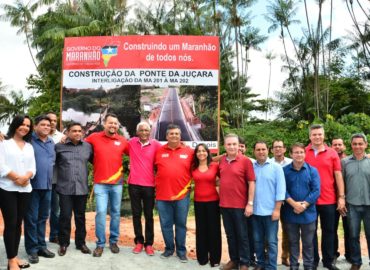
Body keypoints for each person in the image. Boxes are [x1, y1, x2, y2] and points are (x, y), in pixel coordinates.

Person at [84, 113, 128, 257]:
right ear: (104, 123)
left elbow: (136, 153)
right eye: (110, 123)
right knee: (101, 212)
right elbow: (81, 144)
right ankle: (100, 244)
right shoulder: (94, 137)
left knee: (115, 213)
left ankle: (113, 241)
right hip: (100, 183)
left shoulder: (122, 141)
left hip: (117, 184)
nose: (113, 125)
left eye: (115, 123)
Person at [305, 124, 346, 270]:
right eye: (314, 134)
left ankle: (328, 261)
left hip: (329, 199)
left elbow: (338, 175)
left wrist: (341, 197)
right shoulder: (304, 152)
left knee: (329, 231)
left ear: (324, 135)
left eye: (319, 134)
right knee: (311, 232)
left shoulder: (332, 153)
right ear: (310, 136)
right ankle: (313, 261)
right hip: (309, 200)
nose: (317, 137)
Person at [0, 115, 35, 270]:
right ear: (15, 125)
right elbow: (0, 165)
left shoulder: (29, 146)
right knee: (11, 223)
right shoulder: (4, 143)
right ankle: (11, 260)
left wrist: (26, 177)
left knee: (19, 223)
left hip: (25, 189)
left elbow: (32, 168)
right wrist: (16, 178)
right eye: (22, 124)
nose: (25, 127)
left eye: (28, 125)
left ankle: (14, 256)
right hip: (7, 188)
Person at [154, 124, 194, 263]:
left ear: (180, 135)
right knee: (165, 224)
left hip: (182, 195)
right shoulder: (158, 151)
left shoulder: (189, 151)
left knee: (181, 224)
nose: (174, 136)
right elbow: (151, 168)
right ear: (166, 136)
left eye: (176, 133)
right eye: (171, 134)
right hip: (162, 195)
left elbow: (203, 164)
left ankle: (181, 251)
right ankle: (169, 249)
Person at [55, 122, 93, 256]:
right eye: (74, 131)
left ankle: (81, 243)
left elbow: (96, 162)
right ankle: (63, 243)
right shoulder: (59, 147)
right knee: (65, 216)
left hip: (81, 188)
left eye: (79, 131)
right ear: (68, 133)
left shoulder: (88, 147)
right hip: (65, 188)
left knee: (80, 217)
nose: (77, 133)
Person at [219, 133, 255, 270]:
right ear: (225, 146)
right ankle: (234, 260)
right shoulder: (222, 161)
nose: (232, 146)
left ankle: (244, 262)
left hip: (240, 206)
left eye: (234, 144)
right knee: (230, 235)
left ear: (239, 145)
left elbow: (252, 183)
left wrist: (250, 203)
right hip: (224, 205)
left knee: (242, 236)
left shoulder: (246, 161)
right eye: (229, 144)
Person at [282, 143, 320, 270]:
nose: (299, 155)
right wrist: (294, 204)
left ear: (305, 153)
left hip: (308, 214)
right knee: (293, 242)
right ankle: (294, 266)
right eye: (296, 152)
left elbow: (316, 191)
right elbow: (282, 190)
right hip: (290, 212)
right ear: (291, 154)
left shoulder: (312, 170)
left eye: (301, 152)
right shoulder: (284, 171)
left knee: (308, 243)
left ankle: (308, 266)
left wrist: (304, 205)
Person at [24, 115, 56, 264]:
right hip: (32, 187)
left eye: (48, 125)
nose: (46, 127)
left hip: (48, 187)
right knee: (31, 219)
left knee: (43, 218)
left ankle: (42, 246)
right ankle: (32, 250)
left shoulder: (51, 142)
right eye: (42, 125)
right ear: (35, 126)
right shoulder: (28, 140)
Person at [126, 122, 161, 256]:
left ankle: (149, 244)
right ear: (137, 132)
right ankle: (139, 242)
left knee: (149, 215)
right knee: (136, 214)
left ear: (150, 131)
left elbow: (168, 152)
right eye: (142, 130)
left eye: (147, 130)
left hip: (149, 185)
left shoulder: (156, 145)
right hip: (133, 184)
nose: (144, 132)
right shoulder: (131, 143)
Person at [252, 141, 286, 270]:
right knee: (257, 240)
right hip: (255, 212)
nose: (261, 152)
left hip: (271, 212)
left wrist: (277, 210)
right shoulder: (251, 167)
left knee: (271, 242)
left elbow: (281, 190)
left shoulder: (276, 167)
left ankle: (271, 266)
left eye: (263, 149)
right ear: (254, 151)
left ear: (268, 150)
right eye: (258, 149)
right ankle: (260, 263)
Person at [341, 133, 370, 270]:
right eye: (355, 144)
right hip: (352, 205)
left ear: (366, 144)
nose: (358, 146)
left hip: (369, 205)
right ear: (351, 145)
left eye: (360, 143)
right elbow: (341, 183)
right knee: (353, 235)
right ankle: (356, 262)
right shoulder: (345, 162)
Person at [191, 143, 221, 267]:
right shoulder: (193, 167)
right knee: (201, 230)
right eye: (199, 151)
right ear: (196, 154)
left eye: (204, 151)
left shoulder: (214, 166)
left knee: (214, 231)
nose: (201, 153)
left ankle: (215, 259)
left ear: (208, 152)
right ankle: (202, 258)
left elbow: (222, 180)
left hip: (213, 202)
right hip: (198, 203)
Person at [270, 140, 292, 267]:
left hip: (288, 202)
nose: (278, 149)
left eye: (280, 147)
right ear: (272, 150)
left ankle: (285, 256)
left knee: (287, 231)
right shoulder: (268, 163)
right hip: (272, 202)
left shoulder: (291, 162)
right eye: (275, 147)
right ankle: (269, 257)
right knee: (270, 232)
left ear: (284, 149)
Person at [331, 138, 351, 263]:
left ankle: (350, 254)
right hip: (331, 200)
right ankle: (333, 254)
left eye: (339, 144)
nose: (337, 146)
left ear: (343, 146)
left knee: (349, 228)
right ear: (331, 146)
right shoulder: (329, 159)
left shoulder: (349, 160)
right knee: (331, 229)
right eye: (335, 145)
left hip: (347, 200)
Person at [47, 112, 64, 245]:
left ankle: (54, 235)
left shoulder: (62, 137)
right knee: (39, 211)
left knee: (56, 210)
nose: (52, 123)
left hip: (56, 179)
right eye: (49, 120)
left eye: (54, 121)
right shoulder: (36, 135)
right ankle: (38, 237)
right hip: (39, 180)